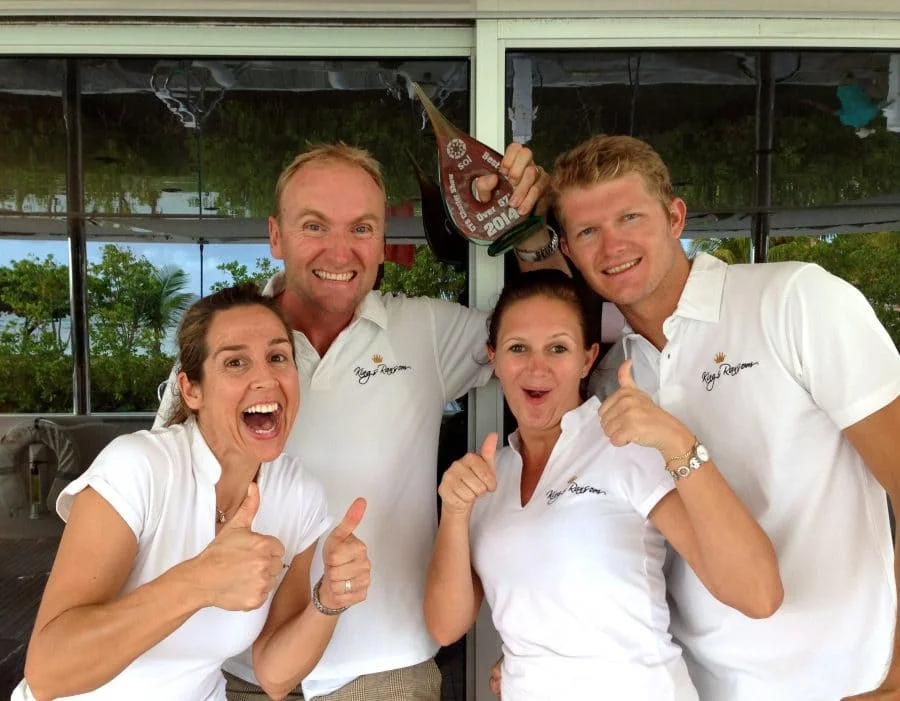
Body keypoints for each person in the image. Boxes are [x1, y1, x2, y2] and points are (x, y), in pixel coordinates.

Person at [155, 142, 556, 700]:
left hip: (387, 672)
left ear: (381, 242)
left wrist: (529, 230)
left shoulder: (428, 332)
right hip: (235, 671)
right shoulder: (225, 349)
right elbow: (167, 495)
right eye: (315, 225)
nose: (339, 251)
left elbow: (553, 327)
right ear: (276, 236)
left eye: (361, 229)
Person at [549, 134, 900, 700]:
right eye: (588, 231)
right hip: (698, 686)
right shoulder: (610, 377)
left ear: (675, 217)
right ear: (568, 250)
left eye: (630, 217)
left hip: (846, 682)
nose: (612, 245)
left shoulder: (793, 300)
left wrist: (896, 678)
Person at [423, 269, 782, 700]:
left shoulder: (625, 446)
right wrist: (456, 512)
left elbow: (757, 595)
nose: (537, 367)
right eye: (518, 348)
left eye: (558, 348)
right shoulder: (488, 476)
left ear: (588, 359)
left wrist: (677, 442)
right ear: (493, 358)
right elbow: (446, 627)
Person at [15, 284, 371, 701]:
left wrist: (328, 600)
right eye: (235, 362)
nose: (265, 378)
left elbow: (274, 677)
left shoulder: (298, 495)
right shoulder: (139, 467)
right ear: (191, 390)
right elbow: (49, 672)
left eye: (277, 357)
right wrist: (198, 581)